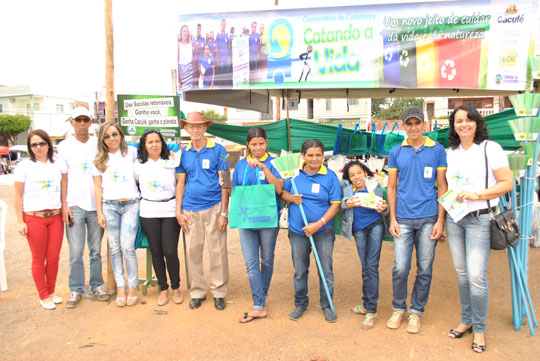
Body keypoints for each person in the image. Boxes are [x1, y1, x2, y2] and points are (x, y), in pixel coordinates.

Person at [445, 105, 513, 353]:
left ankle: (480, 328)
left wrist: (477, 194)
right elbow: (448, 185)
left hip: (480, 219)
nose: (463, 124)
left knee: (476, 276)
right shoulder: (450, 152)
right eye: (458, 120)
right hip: (456, 218)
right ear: (453, 125)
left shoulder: (489, 148)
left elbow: (507, 182)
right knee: (462, 273)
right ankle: (467, 319)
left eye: (468, 120)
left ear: (477, 122)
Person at [386, 107, 448, 334]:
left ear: (425, 125)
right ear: (404, 126)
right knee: (400, 268)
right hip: (401, 217)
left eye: (417, 123)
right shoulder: (396, 151)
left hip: (429, 218)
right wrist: (391, 218)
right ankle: (398, 307)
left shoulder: (437, 150)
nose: (413, 128)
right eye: (409, 124)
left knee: (425, 268)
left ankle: (416, 312)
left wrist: (441, 221)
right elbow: (391, 187)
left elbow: (443, 187)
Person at [281, 139, 341, 323]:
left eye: (318, 155)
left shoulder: (330, 177)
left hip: (322, 231)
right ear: (303, 156)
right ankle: (300, 303)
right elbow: (282, 193)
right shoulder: (293, 175)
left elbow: (336, 205)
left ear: (323, 156)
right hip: (298, 231)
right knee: (300, 270)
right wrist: (291, 198)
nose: (315, 159)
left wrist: (318, 223)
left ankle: (327, 304)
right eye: (310, 155)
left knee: (326, 270)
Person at [175, 111, 230, 311]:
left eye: (199, 126)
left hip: (214, 206)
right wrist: (178, 211)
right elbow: (180, 183)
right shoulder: (183, 153)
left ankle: (219, 291)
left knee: (218, 251)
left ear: (206, 127)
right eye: (191, 126)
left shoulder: (219, 150)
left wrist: (224, 212)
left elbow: (225, 182)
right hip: (190, 210)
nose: (195, 129)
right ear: (186, 128)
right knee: (192, 252)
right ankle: (197, 291)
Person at [58, 106, 109, 309]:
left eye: (85, 120)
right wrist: (64, 205)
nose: (81, 123)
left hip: (96, 205)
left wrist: (102, 207)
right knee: (76, 251)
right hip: (75, 205)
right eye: (78, 119)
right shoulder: (63, 146)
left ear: (90, 122)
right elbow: (63, 178)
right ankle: (77, 289)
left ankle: (96, 285)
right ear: (72, 121)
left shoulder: (99, 144)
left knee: (95, 250)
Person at [233, 127, 283, 323]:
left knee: (267, 260)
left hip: (268, 219)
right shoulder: (240, 166)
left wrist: (263, 168)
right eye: (254, 144)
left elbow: (279, 189)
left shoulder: (274, 163)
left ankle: (261, 297)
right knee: (251, 263)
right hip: (246, 219)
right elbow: (235, 193)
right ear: (248, 145)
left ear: (267, 143)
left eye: (261, 143)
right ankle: (259, 304)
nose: (258, 147)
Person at [14, 130, 63, 310]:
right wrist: (20, 221)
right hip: (34, 218)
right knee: (38, 258)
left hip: (55, 216)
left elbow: (64, 186)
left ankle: (51, 291)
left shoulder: (56, 163)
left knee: (53, 258)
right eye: (34, 145)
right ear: (30, 148)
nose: (39, 147)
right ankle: (43, 295)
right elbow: (18, 196)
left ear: (48, 144)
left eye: (42, 143)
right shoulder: (24, 167)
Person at [93, 122, 140, 307]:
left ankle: (133, 286)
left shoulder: (132, 153)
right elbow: (97, 187)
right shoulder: (99, 160)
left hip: (131, 204)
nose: (111, 139)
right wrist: (99, 212)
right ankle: (121, 287)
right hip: (109, 206)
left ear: (120, 135)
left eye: (114, 134)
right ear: (102, 140)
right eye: (106, 136)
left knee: (127, 247)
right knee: (114, 248)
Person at [134, 130, 183, 306]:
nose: (154, 145)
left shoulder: (171, 161)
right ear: (144, 146)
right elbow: (136, 183)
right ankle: (164, 289)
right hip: (148, 211)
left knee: (170, 251)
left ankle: (176, 287)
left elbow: (180, 180)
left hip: (170, 210)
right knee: (156, 251)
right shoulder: (138, 164)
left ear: (162, 143)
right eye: (150, 142)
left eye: (157, 141)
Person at [340, 161, 388, 329]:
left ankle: (372, 311)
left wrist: (384, 207)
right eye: (352, 175)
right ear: (348, 178)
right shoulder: (346, 188)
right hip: (358, 229)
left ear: (365, 172)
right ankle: (366, 304)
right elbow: (340, 203)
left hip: (375, 226)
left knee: (372, 266)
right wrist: (346, 203)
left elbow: (383, 207)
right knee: (365, 266)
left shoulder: (374, 185)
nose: (356, 177)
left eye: (359, 173)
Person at [178, 24, 194, 91]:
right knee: (182, 91)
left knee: (189, 92)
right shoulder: (178, 44)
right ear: (181, 32)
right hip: (182, 72)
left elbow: (193, 58)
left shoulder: (191, 43)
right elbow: (176, 61)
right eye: (183, 31)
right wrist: (179, 78)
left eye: (186, 31)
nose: (185, 33)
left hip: (190, 72)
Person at [215, 19, 231, 87]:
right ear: (221, 25)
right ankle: (221, 87)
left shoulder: (227, 34)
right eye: (223, 24)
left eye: (225, 24)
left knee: (227, 73)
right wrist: (217, 59)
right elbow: (216, 48)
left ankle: (227, 86)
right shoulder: (218, 35)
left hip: (226, 57)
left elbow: (228, 46)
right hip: (221, 58)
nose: (224, 25)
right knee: (221, 73)